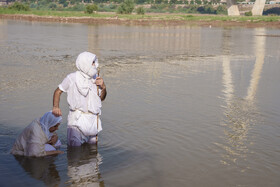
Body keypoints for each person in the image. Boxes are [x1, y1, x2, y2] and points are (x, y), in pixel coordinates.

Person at [52, 51, 107, 146]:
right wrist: (56, 107)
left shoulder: (96, 78)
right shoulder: (72, 78)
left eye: (94, 62)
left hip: (93, 120)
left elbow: (101, 99)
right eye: (92, 63)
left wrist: (104, 87)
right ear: (85, 64)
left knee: (93, 150)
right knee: (75, 152)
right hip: (77, 120)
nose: (95, 65)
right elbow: (58, 91)